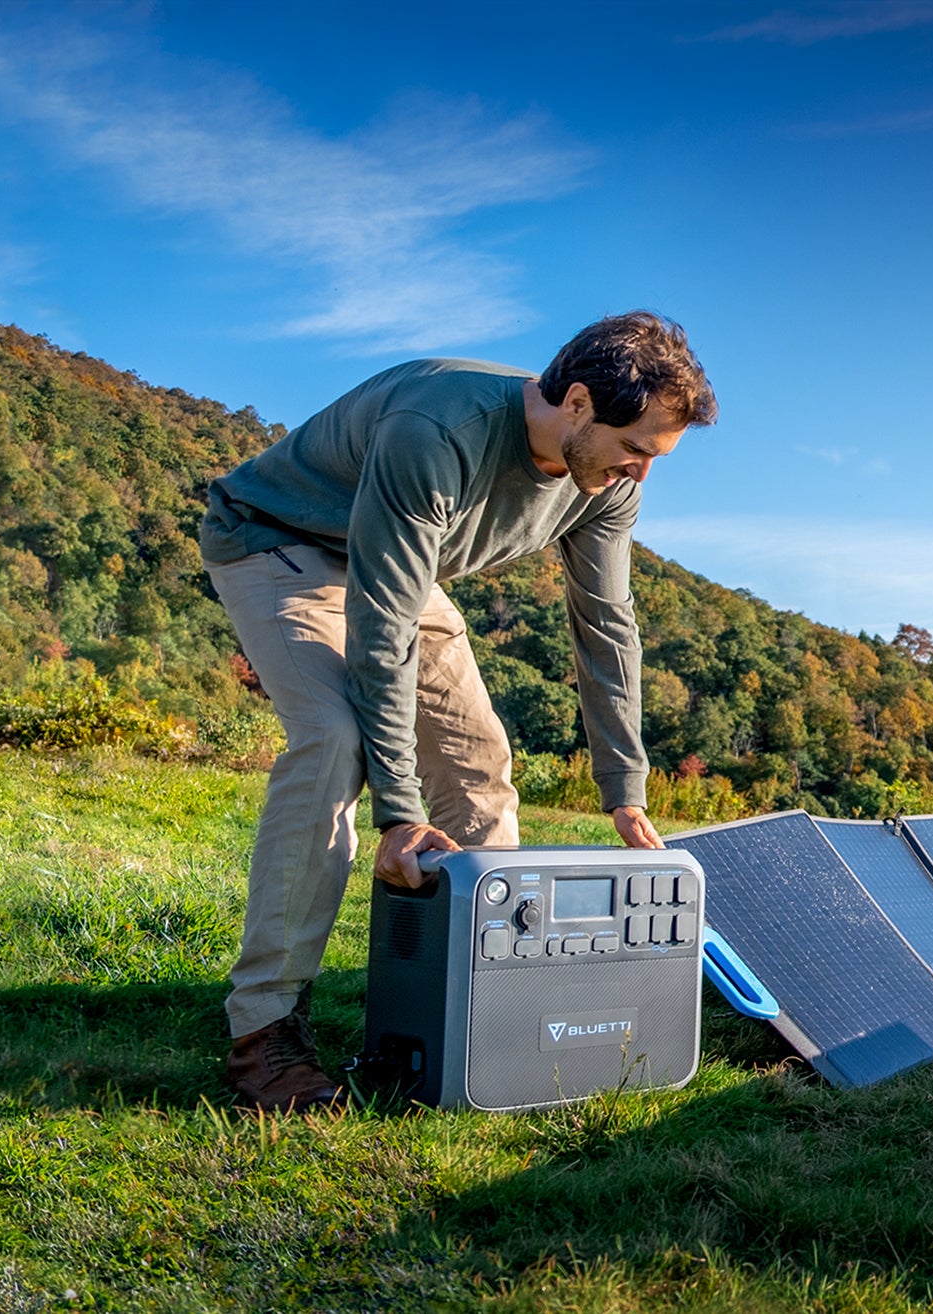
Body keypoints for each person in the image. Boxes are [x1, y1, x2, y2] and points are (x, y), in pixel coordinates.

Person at [196, 313, 715, 1111]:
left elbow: (606, 626)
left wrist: (626, 790)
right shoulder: (438, 429)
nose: (642, 473)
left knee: (480, 765)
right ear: (578, 401)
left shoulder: (603, 485)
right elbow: (382, 625)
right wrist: (400, 814)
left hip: (406, 573)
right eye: (637, 448)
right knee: (336, 742)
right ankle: (264, 1039)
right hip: (283, 547)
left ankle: (479, 1010)